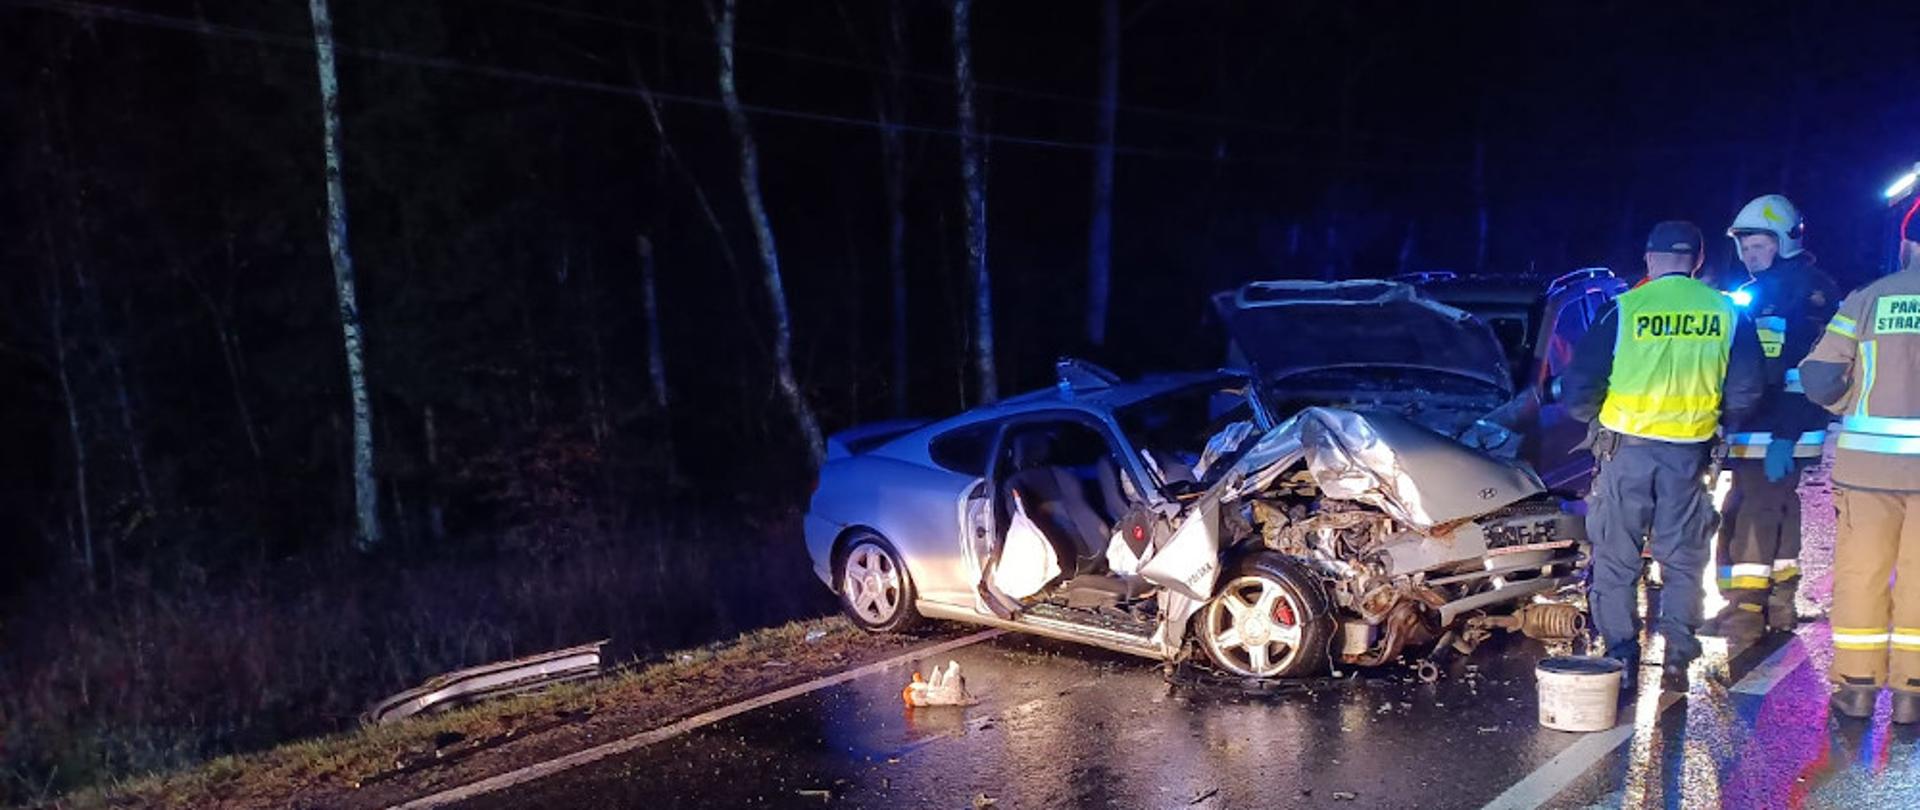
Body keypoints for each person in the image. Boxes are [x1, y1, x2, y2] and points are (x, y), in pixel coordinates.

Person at [1562, 221, 1766, 692]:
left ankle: (1622, 655)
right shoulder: (1727, 312)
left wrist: (1592, 417)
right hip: (1689, 453)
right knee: (1683, 555)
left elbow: (1579, 386)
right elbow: (1747, 387)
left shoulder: (1625, 309)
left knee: (1617, 556)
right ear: (1697, 262)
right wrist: (1717, 419)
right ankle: (1676, 653)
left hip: (1625, 451)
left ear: (1650, 259)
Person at [1798, 200, 1920, 723]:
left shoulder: (1867, 300)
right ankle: (1913, 694)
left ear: (1906, 245)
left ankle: (1858, 686)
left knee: (1864, 573)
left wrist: (1852, 403)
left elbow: (1820, 377)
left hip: (1869, 470)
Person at [1702, 194, 1841, 643]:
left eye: (1758, 244)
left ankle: (1746, 608)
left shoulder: (1809, 291)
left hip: (1782, 426)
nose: (1748, 254)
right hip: (1754, 425)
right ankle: (1777, 602)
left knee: (1756, 509)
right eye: (1743, 246)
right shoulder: (1761, 291)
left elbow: (1808, 368)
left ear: (1784, 241)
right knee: (1761, 504)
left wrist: (1786, 433)